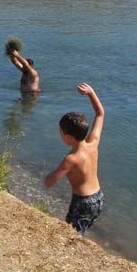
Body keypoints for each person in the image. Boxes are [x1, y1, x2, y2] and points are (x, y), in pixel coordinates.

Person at [44, 83, 105, 235]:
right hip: (98, 198)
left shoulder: (71, 159)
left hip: (83, 202)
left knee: (71, 233)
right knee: (81, 230)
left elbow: (50, 183)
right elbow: (100, 114)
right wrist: (91, 93)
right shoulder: (93, 143)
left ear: (68, 137)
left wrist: (48, 177)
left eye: (60, 132)